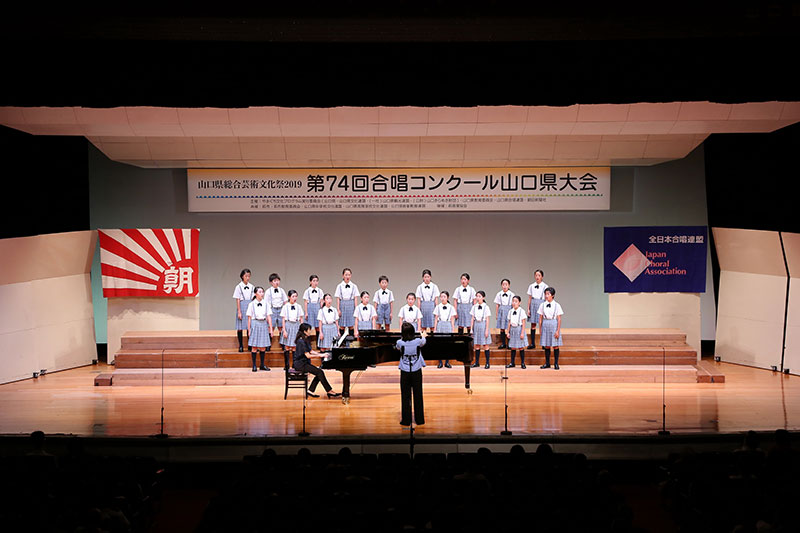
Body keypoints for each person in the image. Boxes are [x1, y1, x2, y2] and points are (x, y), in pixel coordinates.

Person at [293, 323, 341, 398]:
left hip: (304, 363)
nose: (311, 331)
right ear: (305, 331)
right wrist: (320, 355)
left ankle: (312, 390)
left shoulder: (305, 339)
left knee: (319, 372)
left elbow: (311, 351)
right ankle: (329, 391)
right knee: (319, 372)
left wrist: (321, 354)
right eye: (309, 330)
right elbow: (308, 355)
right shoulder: (301, 341)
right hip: (300, 364)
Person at [396, 322, 427, 426]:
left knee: (405, 396)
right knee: (418, 395)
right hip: (416, 371)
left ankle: (406, 420)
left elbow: (397, 347)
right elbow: (424, 340)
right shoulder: (418, 342)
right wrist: (423, 335)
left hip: (405, 372)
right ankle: (419, 420)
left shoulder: (400, 343)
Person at [246, 286, 272, 371]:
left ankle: (262, 365)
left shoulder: (266, 303)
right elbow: (249, 318)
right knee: (254, 346)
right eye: (260, 292)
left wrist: (271, 329)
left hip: (263, 323)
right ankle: (254, 365)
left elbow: (268, 316)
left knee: (263, 346)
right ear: (255, 294)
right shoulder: (251, 304)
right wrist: (249, 330)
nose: (262, 293)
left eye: (262, 292)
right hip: (255, 323)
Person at [538, 287, 564, 369]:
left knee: (555, 345)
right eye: (545, 294)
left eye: (548, 294)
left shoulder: (557, 305)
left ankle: (556, 363)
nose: (546, 296)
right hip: (545, 324)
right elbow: (540, 318)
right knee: (547, 345)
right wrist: (540, 329)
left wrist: (557, 331)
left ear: (552, 295)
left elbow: (559, 319)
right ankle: (547, 363)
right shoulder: (542, 305)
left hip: (553, 323)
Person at [280, 290, 305, 370]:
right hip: (288, 325)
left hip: (296, 326)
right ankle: (286, 364)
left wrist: (302, 330)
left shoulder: (298, 306)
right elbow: (283, 319)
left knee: (295, 346)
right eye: (293, 296)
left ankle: (295, 364)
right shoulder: (285, 306)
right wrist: (284, 330)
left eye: (296, 296)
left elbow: (301, 319)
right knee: (287, 346)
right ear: (289, 297)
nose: (295, 298)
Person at [433, 291, 456, 368]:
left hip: (448, 324)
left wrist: (453, 330)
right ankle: (440, 362)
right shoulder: (438, 307)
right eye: (441, 297)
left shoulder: (451, 307)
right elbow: (436, 319)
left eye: (444, 297)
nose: (442, 298)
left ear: (447, 297)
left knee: (448, 344)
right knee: (439, 344)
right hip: (440, 325)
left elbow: (452, 319)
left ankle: (447, 362)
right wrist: (435, 329)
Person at [233, 268, 253, 352]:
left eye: (249, 276)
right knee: (240, 327)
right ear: (242, 276)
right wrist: (239, 311)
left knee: (250, 327)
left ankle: (250, 345)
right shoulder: (238, 287)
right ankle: (241, 345)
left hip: (250, 305)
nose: (247, 278)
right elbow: (237, 299)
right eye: (246, 276)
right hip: (242, 305)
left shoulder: (252, 286)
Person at [527, 269, 548, 349]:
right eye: (536, 275)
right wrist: (528, 309)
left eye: (539, 275)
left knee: (542, 324)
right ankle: (532, 343)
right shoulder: (531, 286)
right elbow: (529, 298)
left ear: (542, 277)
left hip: (541, 303)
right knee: (533, 324)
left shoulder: (545, 286)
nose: (537, 277)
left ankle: (543, 343)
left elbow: (546, 299)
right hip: (533, 303)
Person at [471, 290, 492, 369]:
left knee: (485, 345)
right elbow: (472, 318)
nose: (478, 298)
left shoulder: (486, 307)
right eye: (477, 296)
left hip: (483, 325)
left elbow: (487, 319)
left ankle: (487, 363)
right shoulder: (474, 307)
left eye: (480, 296)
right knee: (477, 345)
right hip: (476, 325)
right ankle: (476, 362)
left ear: (483, 297)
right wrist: (471, 329)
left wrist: (486, 329)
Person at [506, 295, 528, 368]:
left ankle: (522, 363)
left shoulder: (522, 311)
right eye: (513, 301)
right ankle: (512, 362)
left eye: (516, 301)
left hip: (519, 328)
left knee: (521, 347)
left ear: (519, 303)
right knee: (513, 347)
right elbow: (509, 322)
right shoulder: (510, 311)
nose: (514, 303)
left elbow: (524, 323)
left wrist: (522, 333)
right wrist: (508, 332)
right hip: (512, 329)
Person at [335, 268, 358, 335]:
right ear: (343, 275)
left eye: (349, 275)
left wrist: (356, 309)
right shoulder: (339, 286)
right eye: (346, 275)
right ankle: (342, 343)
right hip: (342, 304)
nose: (347, 276)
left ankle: (351, 343)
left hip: (351, 304)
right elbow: (338, 298)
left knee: (351, 325)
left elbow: (355, 298)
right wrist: (338, 309)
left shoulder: (354, 286)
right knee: (342, 325)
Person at [303, 274, 324, 348]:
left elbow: (321, 301)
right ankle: (308, 345)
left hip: (317, 308)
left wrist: (321, 310)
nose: (315, 282)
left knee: (318, 327)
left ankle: (319, 344)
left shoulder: (320, 291)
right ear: (310, 282)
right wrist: (306, 312)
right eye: (314, 281)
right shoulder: (307, 291)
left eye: (316, 281)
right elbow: (305, 302)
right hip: (310, 308)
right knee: (309, 327)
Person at [268, 273, 288, 347]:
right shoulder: (268, 291)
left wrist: (285, 310)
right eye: (274, 281)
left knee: (281, 327)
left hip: (280, 309)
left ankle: (282, 343)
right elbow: (267, 303)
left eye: (278, 280)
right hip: (272, 309)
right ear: (271, 282)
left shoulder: (281, 290)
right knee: (271, 327)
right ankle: (268, 344)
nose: (277, 282)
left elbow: (285, 301)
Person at [494, 278, 514, 350]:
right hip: (501, 311)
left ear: (509, 285)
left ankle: (509, 344)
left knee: (509, 328)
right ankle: (503, 343)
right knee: (502, 328)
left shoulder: (512, 294)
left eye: (506, 284)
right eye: (503, 284)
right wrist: (496, 314)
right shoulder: (499, 294)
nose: (504, 286)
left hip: (509, 310)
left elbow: (514, 305)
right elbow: (497, 305)